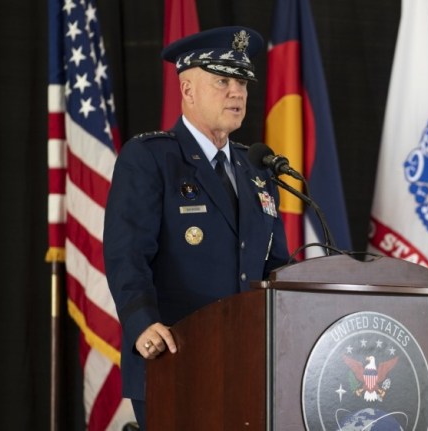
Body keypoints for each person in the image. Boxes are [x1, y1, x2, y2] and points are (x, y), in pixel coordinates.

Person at [103, 26, 290, 429]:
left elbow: (276, 266)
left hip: (249, 367)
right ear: (187, 90)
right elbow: (127, 253)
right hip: (175, 358)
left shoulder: (258, 168)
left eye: (241, 81)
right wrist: (141, 322)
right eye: (222, 80)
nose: (236, 92)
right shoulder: (151, 158)